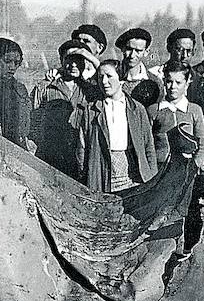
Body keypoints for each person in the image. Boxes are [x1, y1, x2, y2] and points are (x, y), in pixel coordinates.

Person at [75, 59, 157, 192]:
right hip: (102, 172)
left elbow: (148, 146)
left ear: (121, 79)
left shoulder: (137, 109)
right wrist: (85, 177)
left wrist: (152, 178)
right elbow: (82, 147)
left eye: (109, 76)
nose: (104, 81)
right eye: (100, 77)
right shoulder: (91, 111)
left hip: (133, 173)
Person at [31, 40, 97, 178]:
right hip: (50, 157)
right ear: (61, 60)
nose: (73, 64)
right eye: (69, 59)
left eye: (78, 59)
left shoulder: (90, 90)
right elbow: (33, 123)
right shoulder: (45, 88)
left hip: (81, 158)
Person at [147, 62, 204, 169]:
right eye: (169, 82)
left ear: (186, 84)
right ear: (164, 81)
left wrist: (193, 168)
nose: (173, 87)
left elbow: (202, 145)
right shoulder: (153, 110)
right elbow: (147, 143)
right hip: (159, 168)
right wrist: (152, 169)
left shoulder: (194, 110)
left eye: (178, 82)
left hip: (185, 169)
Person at [116, 28, 162, 108]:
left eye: (138, 51)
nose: (132, 55)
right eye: (129, 49)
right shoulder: (112, 76)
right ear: (123, 49)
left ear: (146, 52)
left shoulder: (155, 81)